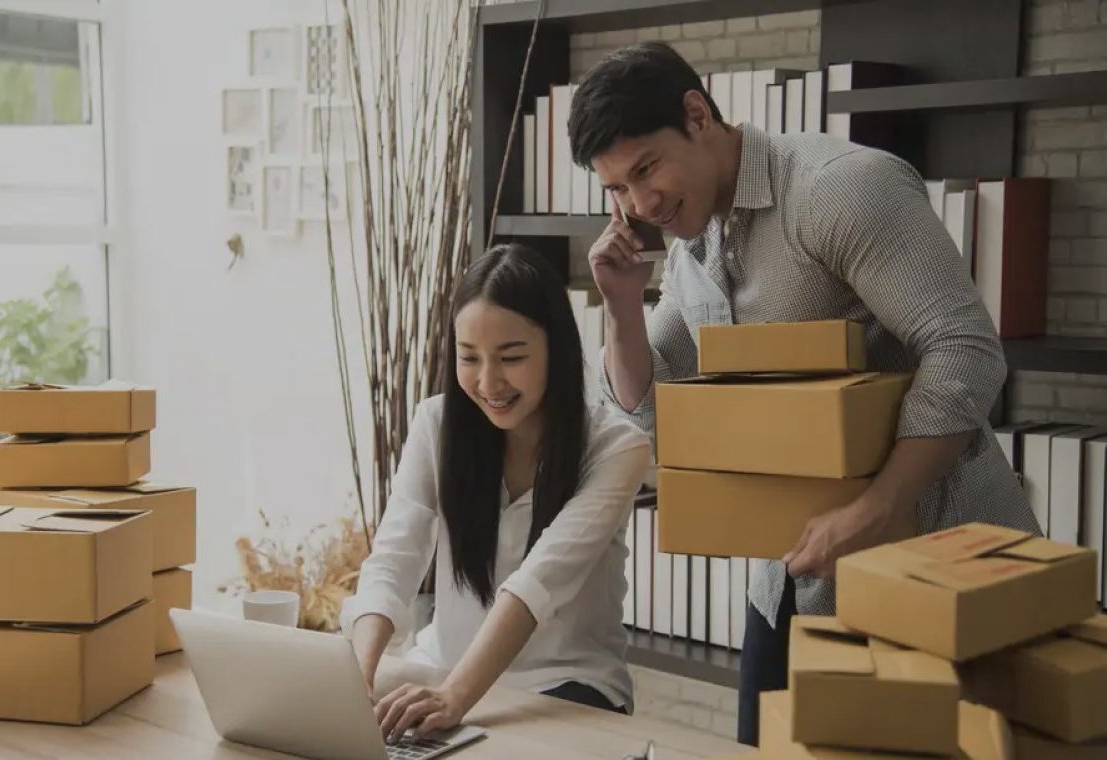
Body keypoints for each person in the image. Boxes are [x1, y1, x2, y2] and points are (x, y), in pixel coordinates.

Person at [567, 42, 1039, 746]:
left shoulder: (838, 189)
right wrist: (624, 309)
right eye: (617, 190)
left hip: (933, 566)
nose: (640, 205)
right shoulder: (695, 245)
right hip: (790, 582)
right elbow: (648, 409)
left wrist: (875, 508)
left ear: (697, 115)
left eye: (645, 170)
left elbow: (966, 352)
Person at [340, 243, 652, 744]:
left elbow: (537, 583)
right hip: (438, 672)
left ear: (557, 349)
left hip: (564, 688)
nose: (488, 382)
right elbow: (392, 560)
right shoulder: (435, 425)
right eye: (469, 358)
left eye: (511, 358)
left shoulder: (618, 447)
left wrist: (455, 698)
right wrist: (356, 675)